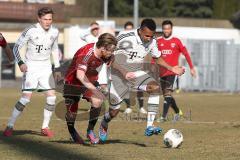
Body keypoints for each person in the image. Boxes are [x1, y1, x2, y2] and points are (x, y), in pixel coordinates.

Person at [98, 19, 184, 142]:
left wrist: (172, 68)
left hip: (137, 74)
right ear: (140, 30)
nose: (149, 38)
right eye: (146, 35)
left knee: (154, 88)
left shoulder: (153, 41)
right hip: (118, 76)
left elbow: (157, 57)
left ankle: (150, 126)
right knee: (114, 112)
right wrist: (124, 73)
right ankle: (104, 123)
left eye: (151, 35)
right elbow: (111, 58)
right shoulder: (124, 36)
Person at [3, 7, 60, 137]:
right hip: (31, 67)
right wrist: (21, 63)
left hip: (46, 67)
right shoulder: (30, 30)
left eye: (50, 19)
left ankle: (45, 127)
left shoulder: (55, 31)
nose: (48, 22)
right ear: (39, 19)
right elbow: (16, 47)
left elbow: (55, 49)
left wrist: (56, 68)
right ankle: (10, 125)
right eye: (45, 19)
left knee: (52, 97)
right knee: (26, 99)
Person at [64, 33, 117, 144]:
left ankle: (90, 131)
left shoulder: (105, 54)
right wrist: (94, 90)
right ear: (103, 48)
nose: (112, 53)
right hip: (73, 81)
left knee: (97, 101)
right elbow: (80, 75)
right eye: (111, 50)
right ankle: (72, 131)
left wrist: (113, 57)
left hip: (90, 80)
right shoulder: (86, 53)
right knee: (71, 113)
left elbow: (111, 59)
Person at [154, 20, 196, 122]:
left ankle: (163, 117)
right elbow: (154, 56)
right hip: (162, 72)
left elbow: (186, 54)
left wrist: (191, 68)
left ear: (171, 29)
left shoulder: (177, 41)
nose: (166, 30)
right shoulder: (158, 41)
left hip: (173, 72)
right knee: (166, 95)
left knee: (167, 93)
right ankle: (177, 112)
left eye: (168, 28)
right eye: (164, 28)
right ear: (162, 29)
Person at [122, 21, 147, 114]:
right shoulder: (122, 42)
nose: (128, 32)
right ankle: (128, 107)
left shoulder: (138, 41)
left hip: (137, 68)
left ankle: (141, 107)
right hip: (126, 68)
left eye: (130, 30)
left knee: (139, 88)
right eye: (127, 29)